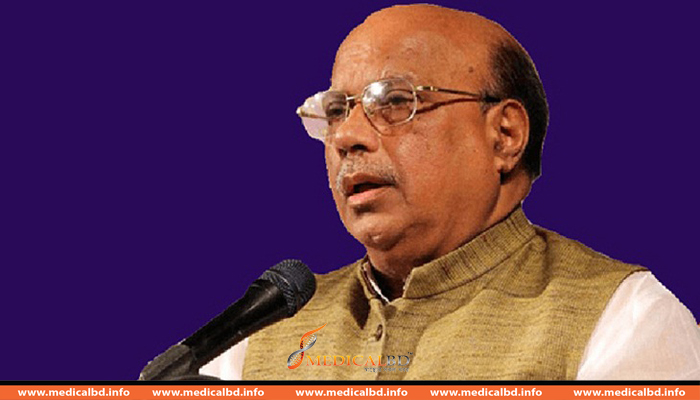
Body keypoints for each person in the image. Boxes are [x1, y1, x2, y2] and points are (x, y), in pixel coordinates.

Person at [202, 4, 700, 380]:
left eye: (395, 101)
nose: (347, 136)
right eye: (336, 111)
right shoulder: (259, 336)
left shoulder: (623, 319)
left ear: (504, 136)